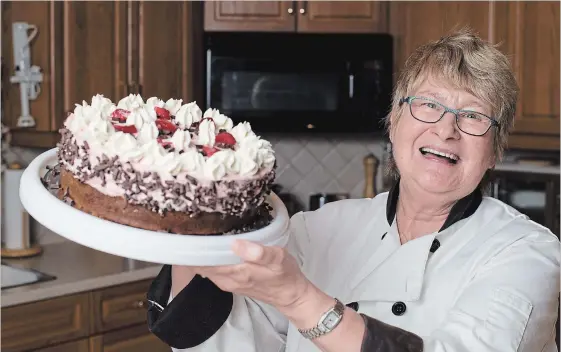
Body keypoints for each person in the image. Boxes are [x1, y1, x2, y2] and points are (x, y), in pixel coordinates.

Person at [146, 29, 560, 352]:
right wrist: (193, 214)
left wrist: (298, 297)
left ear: (494, 151)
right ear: (394, 120)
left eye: (472, 116)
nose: (446, 129)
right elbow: (223, 339)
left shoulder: (526, 253)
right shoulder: (316, 230)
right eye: (429, 104)